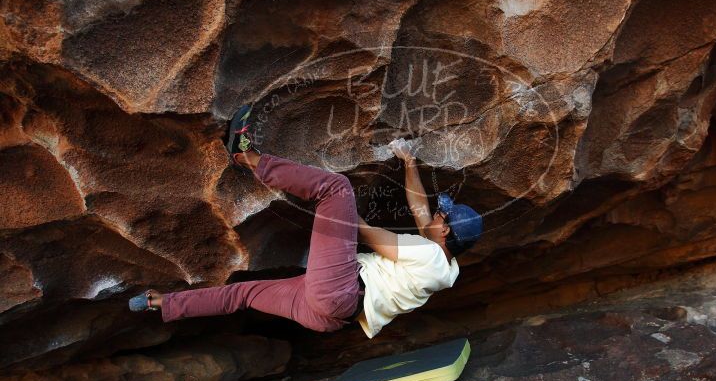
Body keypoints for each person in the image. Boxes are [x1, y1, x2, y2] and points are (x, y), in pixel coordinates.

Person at [128, 104, 483, 338]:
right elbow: (421, 213)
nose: (434, 214)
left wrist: (345, 214)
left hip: (338, 291)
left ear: (446, 230)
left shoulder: (429, 255)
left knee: (336, 188)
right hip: (327, 317)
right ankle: (161, 303)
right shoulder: (445, 269)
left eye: (442, 215)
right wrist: (408, 162)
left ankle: (247, 156)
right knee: (242, 294)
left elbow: (372, 237)